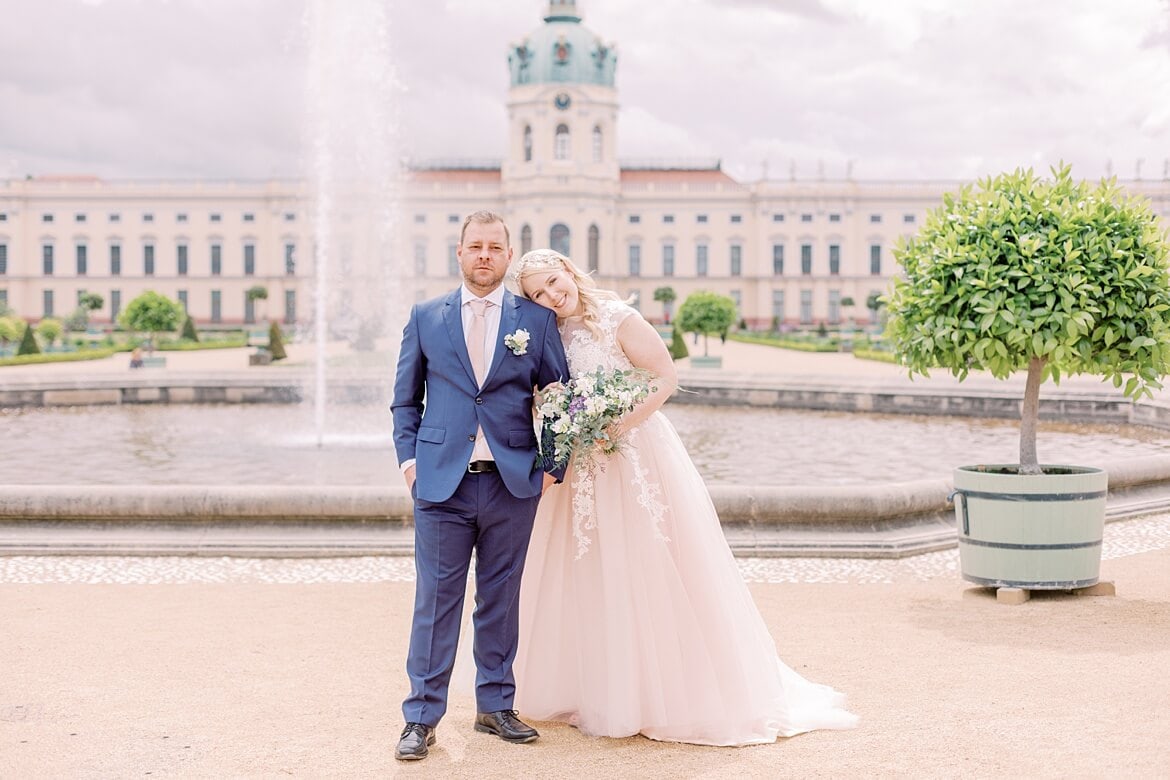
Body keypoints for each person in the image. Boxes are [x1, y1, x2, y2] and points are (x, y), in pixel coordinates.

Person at [512, 248, 859, 746]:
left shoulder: (618, 318)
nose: (550, 295)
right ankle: (596, 686)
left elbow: (665, 378)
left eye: (552, 282)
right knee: (587, 568)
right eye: (537, 293)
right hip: (583, 466)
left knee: (648, 564)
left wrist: (618, 423)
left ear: (568, 270)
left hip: (632, 454)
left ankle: (661, 692)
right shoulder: (552, 333)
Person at [390, 211, 570, 761]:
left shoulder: (534, 321)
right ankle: (421, 717)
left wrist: (549, 466)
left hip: (511, 486)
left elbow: (561, 396)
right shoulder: (426, 317)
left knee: (501, 599)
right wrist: (410, 465)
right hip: (440, 486)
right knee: (436, 601)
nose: (485, 255)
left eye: (495, 247)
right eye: (476, 246)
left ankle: (495, 706)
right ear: (460, 253)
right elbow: (405, 400)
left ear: (508, 255)